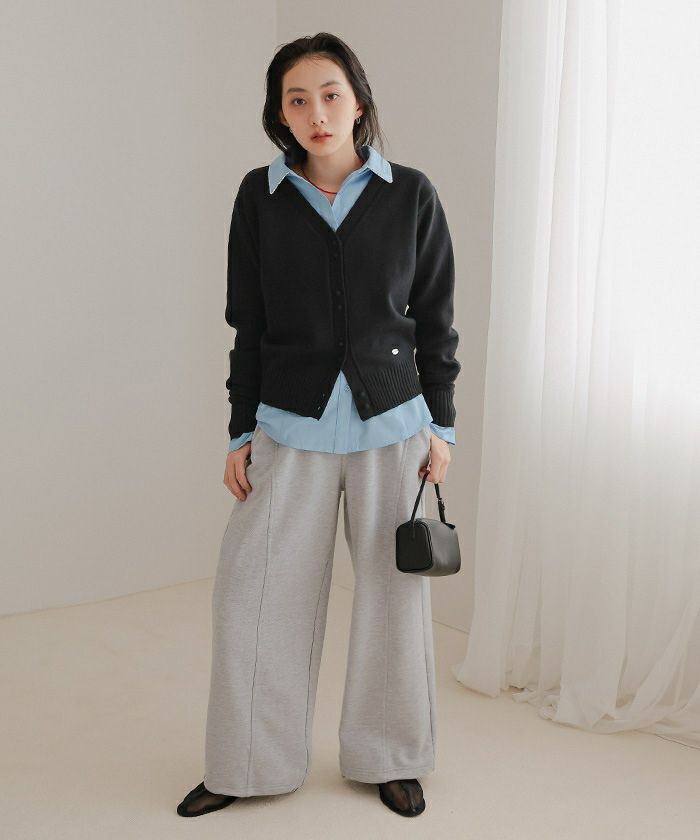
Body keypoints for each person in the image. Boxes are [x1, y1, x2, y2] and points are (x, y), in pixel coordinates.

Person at [177, 31, 461, 819]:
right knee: (254, 598)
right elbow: (249, 323)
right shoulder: (259, 197)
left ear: (358, 102)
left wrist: (442, 428)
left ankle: (391, 757)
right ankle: (245, 762)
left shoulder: (410, 194)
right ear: (280, 113)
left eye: (330, 95)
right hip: (288, 426)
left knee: (393, 603)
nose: (316, 113)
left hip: (393, 428)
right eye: (296, 99)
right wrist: (240, 432)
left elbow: (435, 321)